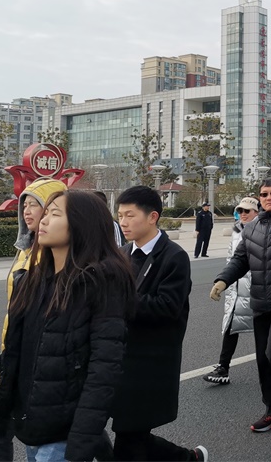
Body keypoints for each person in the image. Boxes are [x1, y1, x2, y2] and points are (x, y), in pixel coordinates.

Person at [0, 191, 136, 462]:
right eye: (45, 212)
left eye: (55, 214)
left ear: (81, 224)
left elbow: (104, 369)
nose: (43, 220)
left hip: (65, 431)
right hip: (33, 422)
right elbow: (15, 356)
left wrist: (83, 438)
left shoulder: (101, 282)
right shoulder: (32, 281)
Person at [111, 186, 204, 461]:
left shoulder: (173, 256)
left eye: (130, 215)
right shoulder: (122, 253)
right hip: (120, 358)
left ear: (153, 217)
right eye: (120, 216)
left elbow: (167, 307)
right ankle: (189, 458)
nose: (123, 222)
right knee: (129, 436)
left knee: (129, 438)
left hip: (151, 361)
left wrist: (117, 299)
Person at [211, 179, 271, 432]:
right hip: (260, 302)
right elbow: (240, 259)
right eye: (264, 194)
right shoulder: (252, 227)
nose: (268, 197)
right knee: (264, 360)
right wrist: (222, 280)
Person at [0, 177, 67, 462]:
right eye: (24, 205)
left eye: (36, 205)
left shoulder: (59, 254)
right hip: (14, 352)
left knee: (57, 429)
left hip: (41, 359)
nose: (27, 211)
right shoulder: (25, 250)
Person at [204, 197, 259, 385]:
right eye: (240, 210)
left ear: (257, 212)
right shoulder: (236, 231)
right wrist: (224, 281)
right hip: (236, 288)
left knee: (267, 330)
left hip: (257, 288)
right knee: (230, 326)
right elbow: (231, 259)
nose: (243, 214)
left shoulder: (263, 230)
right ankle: (223, 368)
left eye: (247, 211)